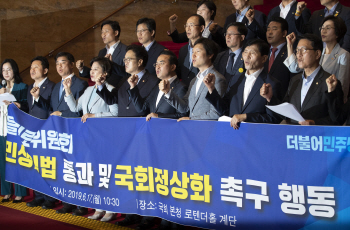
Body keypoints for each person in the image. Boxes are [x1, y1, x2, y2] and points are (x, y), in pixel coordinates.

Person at [33, 52, 89, 215]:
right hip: (59, 135)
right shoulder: (57, 86)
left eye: (63, 63)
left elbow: (80, 111)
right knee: (64, 169)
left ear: (71, 64)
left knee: (76, 169)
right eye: (57, 63)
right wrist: (38, 98)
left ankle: (81, 204)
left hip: (75, 133)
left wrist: (62, 115)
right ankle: (67, 201)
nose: (59, 66)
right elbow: (52, 110)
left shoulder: (81, 84)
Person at [64, 57, 118, 222]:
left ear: (105, 73)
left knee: (105, 174)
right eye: (92, 69)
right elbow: (75, 108)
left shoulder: (111, 89)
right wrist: (67, 90)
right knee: (94, 173)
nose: (92, 72)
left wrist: (95, 116)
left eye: (96, 69)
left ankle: (110, 209)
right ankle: (98, 207)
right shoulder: (88, 90)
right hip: (88, 139)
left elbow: (115, 113)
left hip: (104, 138)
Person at [261, 34, 338, 125]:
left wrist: (314, 123)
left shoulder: (330, 82)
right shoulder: (295, 80)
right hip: (293, 135)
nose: (298, 55)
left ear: (317, 54)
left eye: (303, 50)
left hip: (317, 136)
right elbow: (286, 112)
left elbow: (336, 119)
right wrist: (270, 98)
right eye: (297, 50)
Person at [205, 39, 282, 129]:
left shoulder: (272, 83)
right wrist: (211, 89)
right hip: (234, 135)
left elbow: (273, 118)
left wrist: (245, 117)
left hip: (256, 136)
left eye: (252, 53)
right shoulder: (236, 79)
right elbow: (224, 109)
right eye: (245, 52)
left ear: (264, 58)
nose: (247, 56)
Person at [284, 16, 350, 102]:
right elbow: (294, 68)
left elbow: (343, 86)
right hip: (311, 97)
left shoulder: (343, 54)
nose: (323, 30)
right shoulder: (316, 51)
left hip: (328, 100)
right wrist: (290, 46)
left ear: (337, 32)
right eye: (322, 28)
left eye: (328, 28)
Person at [162, 38, 227, 121]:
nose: (193, 55)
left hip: (207, 130)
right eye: (192, 52)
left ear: (210, 55)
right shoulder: (194, 80)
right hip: (193, 129)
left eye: (198, 51)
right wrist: (168, 92)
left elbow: (216, 113)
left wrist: (191, 119)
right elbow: (185, 107)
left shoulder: (218, 79)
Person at [26, 56, 56, 209]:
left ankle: (49, 197)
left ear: (45, 70)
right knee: (35, 165)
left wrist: (37, 98)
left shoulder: (52, 87)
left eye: (36, 67)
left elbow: (51, 109)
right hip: (32, 132)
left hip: (46, 131)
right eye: (31, 67)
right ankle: (38, 196)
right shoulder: (29, 87)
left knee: (47, 165)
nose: (32, 70)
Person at [128, 50, 188, 122]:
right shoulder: (157, 87)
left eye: (161, 63)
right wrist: (133, 87)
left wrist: (159, 116)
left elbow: (183, 115)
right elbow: (142, 109)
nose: (157, 67)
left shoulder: (181, 88)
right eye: (156, 64)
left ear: (173, 67)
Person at [0, 59, 28, 203]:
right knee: (3, 161)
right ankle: (6, 191)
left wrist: (17, 104)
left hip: (16, 129)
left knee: (17, 161)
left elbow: (27, 105)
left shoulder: (22, 86)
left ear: (14, 70)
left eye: (9, 69)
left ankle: (20, 192)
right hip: (2, 129)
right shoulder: (0, 87)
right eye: (3, 70)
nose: (6, 73)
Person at [76, 20, 127, 88]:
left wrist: (111, 64)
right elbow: (97, 72)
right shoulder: (102, 52)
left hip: (118, 90)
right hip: (101, 89)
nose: (103, 34)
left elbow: (127, 73)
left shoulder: (126, 50)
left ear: (116, 33)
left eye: (106, 31)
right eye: (102, 32)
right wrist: (82, 69)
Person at [265, 16, 296, 96]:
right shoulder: (263, 52)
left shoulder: (291, 52)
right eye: (268, 29)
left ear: (284, 33)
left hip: (282, 99)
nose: (270, 32)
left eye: (274, 29)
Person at [177, 14, 205, 86]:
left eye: (191, 25)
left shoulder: (208, 47)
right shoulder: (183, 50)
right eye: (186, 26)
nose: (188, 29)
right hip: (185, 92)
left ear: (201, 28)